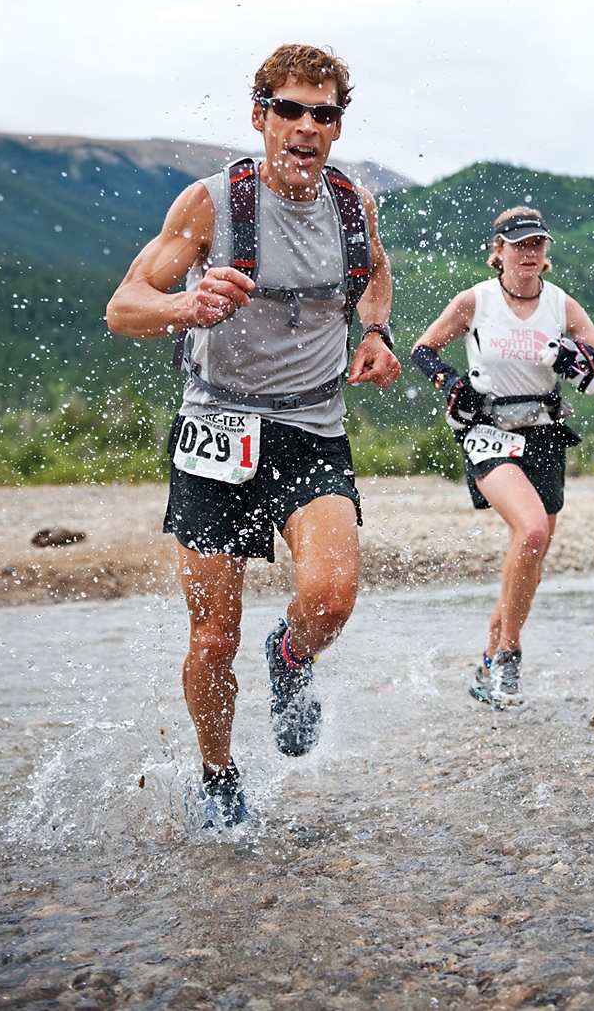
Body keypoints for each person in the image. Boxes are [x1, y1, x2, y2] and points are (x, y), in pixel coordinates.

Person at [106, 44, 400, 830]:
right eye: (289, 110)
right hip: (217, 428)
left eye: (323, 113)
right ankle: (217, 774)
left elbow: (374, 270)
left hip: (311, 426)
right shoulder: (211, 204)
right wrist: (185, 306)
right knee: (212, 637)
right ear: (260, 116)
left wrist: (376, 333)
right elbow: (124, 307)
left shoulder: (352, 205)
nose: (306, 127)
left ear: (337, 125)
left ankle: (292, 655)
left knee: (330, 600)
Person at [411, 206, 594, 708]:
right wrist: (450, 382)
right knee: (531, 532)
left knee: (531, 559)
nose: (528, 253)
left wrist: (584, 360)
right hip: (488, 432)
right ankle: (510, 653)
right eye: (519, 245)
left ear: (545, 251)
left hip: (545, 435)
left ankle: (487, 663)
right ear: (499, 251)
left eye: (536, 244)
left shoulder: (562, 306)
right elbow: (424, 349)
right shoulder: (476, 301)